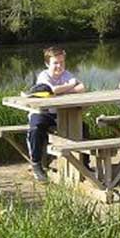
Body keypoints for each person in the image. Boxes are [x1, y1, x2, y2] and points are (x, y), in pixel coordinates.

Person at [26, 46, 85, 182]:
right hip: (41, 112)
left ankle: (83, 165)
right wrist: (71, 86)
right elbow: (51, 90)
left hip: (62, 112)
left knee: (82, 127)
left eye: (62, 62)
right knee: (36, 129)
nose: (59, 66)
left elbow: (82, 87)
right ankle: (36, 163)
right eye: (55, 63)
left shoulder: (67, 74)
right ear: (47, 64)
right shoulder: (43, 75)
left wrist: (65, 89)